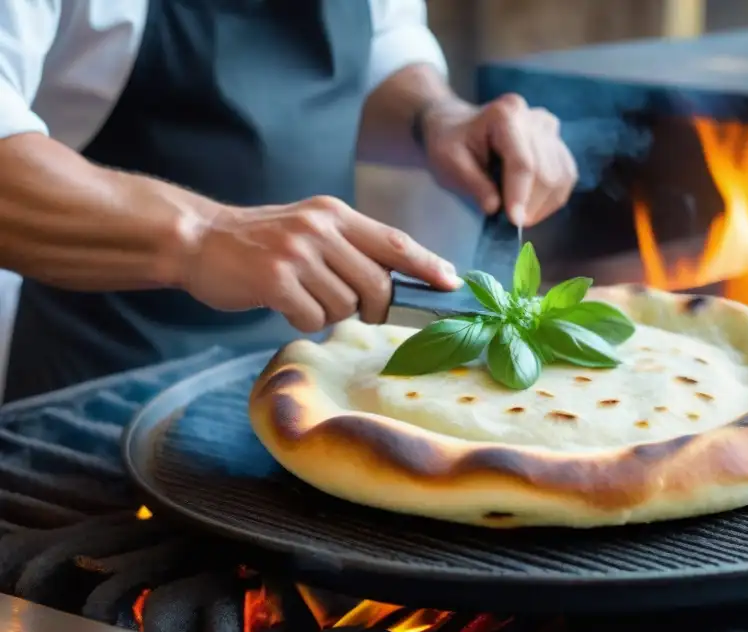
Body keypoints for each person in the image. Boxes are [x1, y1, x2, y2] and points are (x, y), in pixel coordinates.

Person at [0, 0, 578, 401]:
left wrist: (437, 116)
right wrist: (204, 238)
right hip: (92, 384)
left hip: (303, 369)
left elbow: (374, 46)